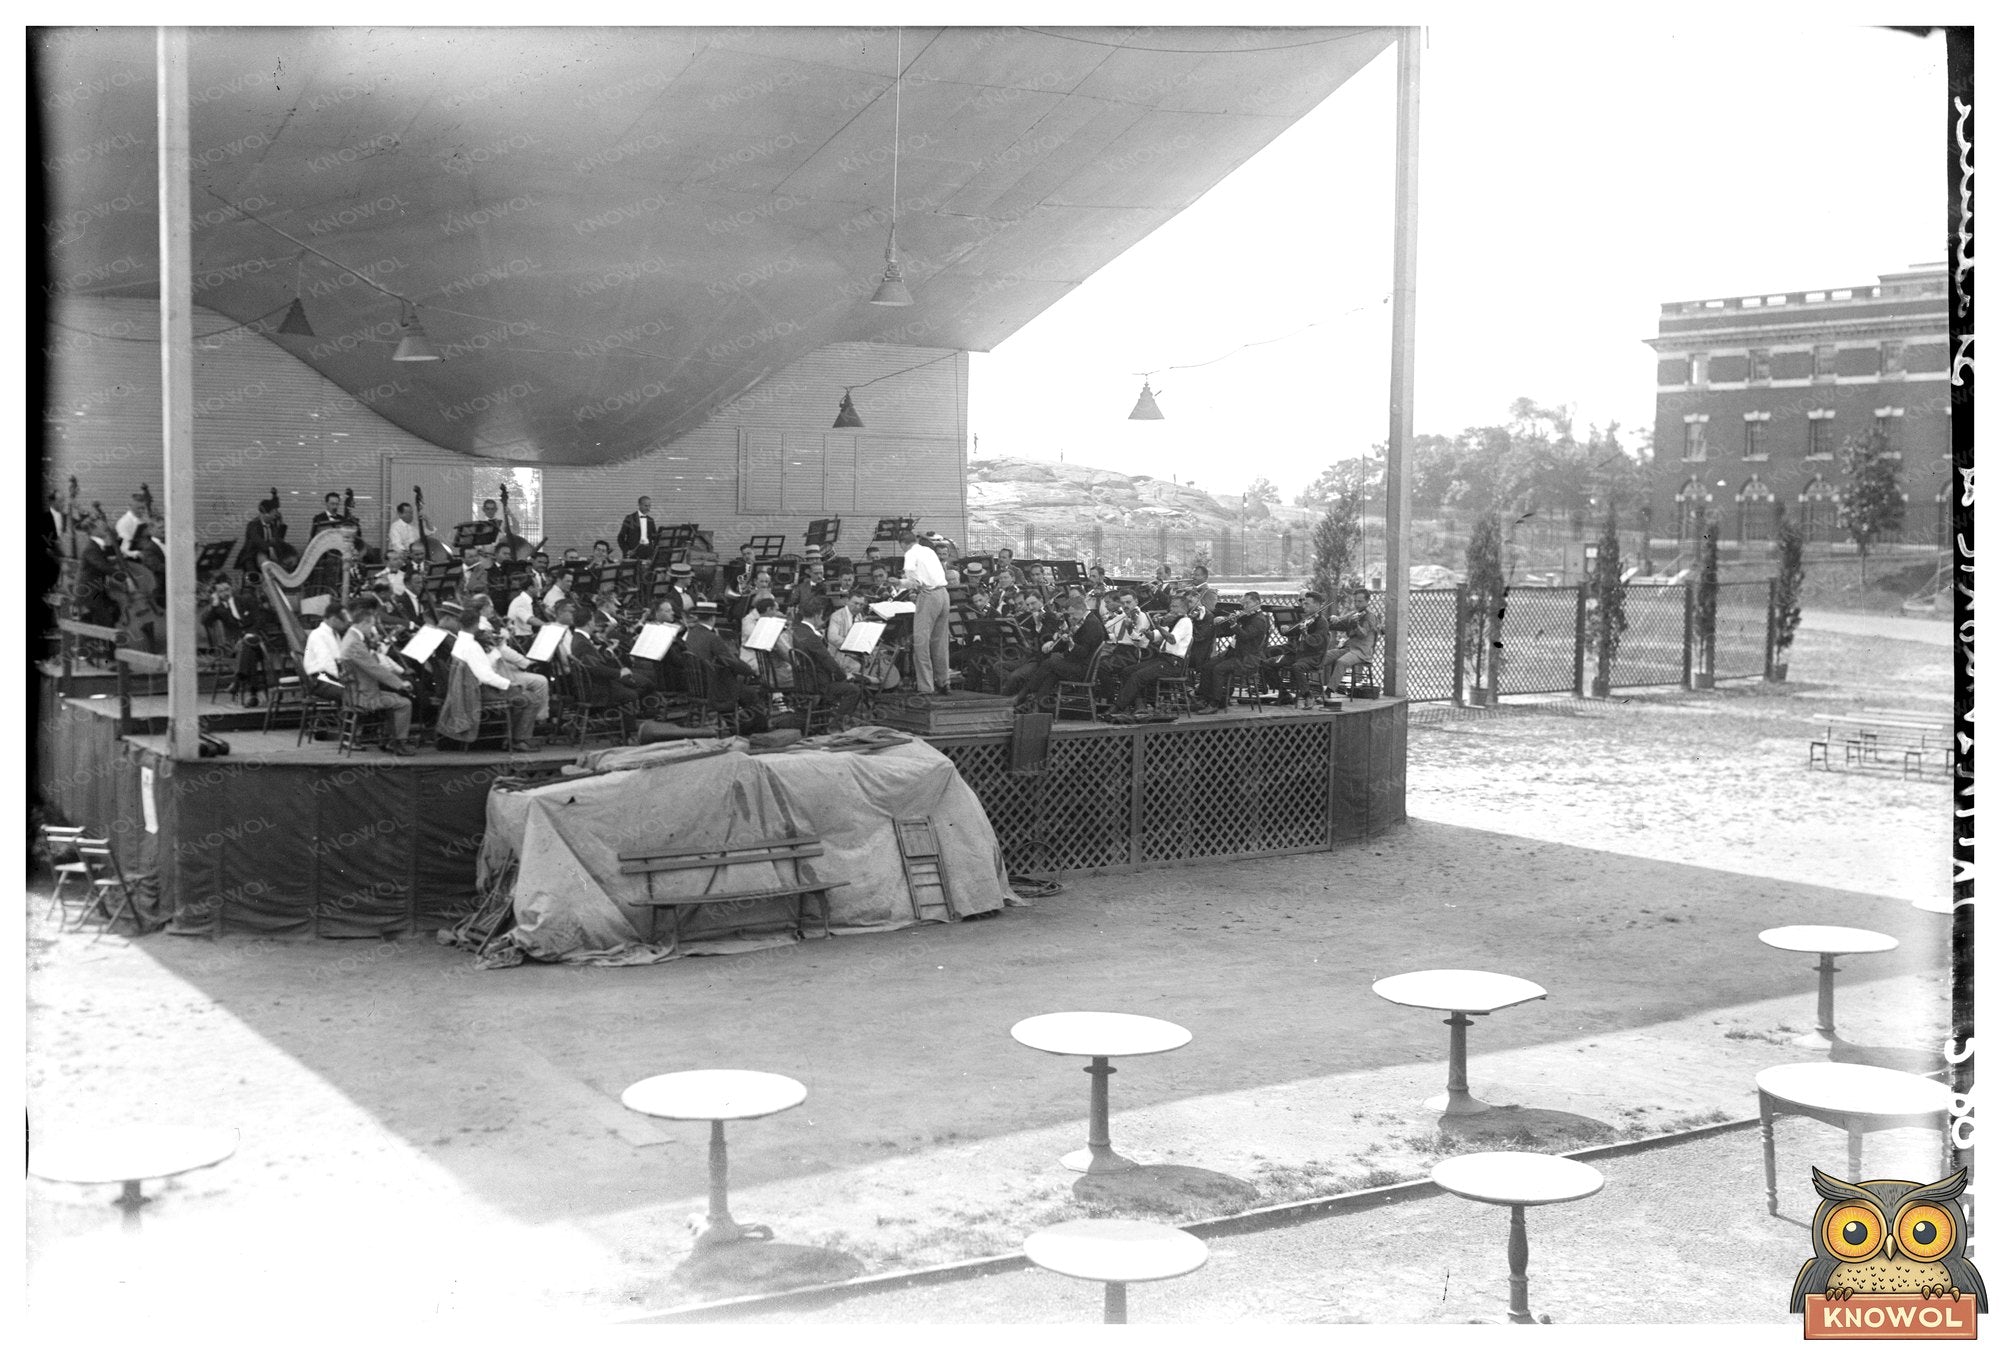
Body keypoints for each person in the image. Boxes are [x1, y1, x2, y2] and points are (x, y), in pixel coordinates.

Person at [437, 600, 538, 751]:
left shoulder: (460, 642)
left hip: (468, 689)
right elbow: (485, 676)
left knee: (524, 695)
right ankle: (518, 739)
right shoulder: (472, 646)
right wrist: (508, 684)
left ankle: (512, 737)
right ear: (476, 624)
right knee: (530, 699)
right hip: (479, 692)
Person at [338, 596, 417, 754]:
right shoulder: (354, 643)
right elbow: (374, 668)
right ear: (363, 623)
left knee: (396, 697)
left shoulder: (350, 638)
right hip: (365, 697)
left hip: (357, 692)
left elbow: (372, 665)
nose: (372, 629)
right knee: (404, 703)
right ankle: (397, 743)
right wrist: (400, 683)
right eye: (371, 625)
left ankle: (389, 739)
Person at [682, 601, 763, 730]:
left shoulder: (691, 634)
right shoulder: (712, 638)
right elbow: (731, 661)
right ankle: (756, 727)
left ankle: (738, 724)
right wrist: (749, 671)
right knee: (749, 693)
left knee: (739, 686)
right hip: (714, 687)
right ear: (712, 618)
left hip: (697, 686)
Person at [1013, 593, 1105, 701]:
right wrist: (1054, 643)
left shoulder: (1091, 624)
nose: (1070, 618)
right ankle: (1037, 702)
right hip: (1077, 664)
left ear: (1081, 609)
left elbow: (1083, 652)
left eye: (1072, 614)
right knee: (1052, 673)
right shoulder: (1084, 620)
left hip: (1083, 670)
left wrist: (1070, 643)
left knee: (1049, 663)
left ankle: (1023, 695)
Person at [1111, 593, 1193, 714]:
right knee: (1127, 671)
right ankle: (1139, 705)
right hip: (1163, 659)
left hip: (1174, 663)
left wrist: (1159, 626)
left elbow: (1172, 639)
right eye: (1171, 606)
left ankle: (1118, 707)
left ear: (1184, 608)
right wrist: (1144, 631)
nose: (1171, 609)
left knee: (1138, 676)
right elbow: (1154, 637)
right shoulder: (1172, 622)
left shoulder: (1185, 622)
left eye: (1175, 606)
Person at [791, 596, 863, 723]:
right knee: (854, 690)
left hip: (800, 682)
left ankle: (823, 719)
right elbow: (827, 660)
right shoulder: (811, 637)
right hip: (816, 685)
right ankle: (837, 723)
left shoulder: (796, 630)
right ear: (817, 615)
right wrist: (843, 676)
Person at [199, 573, 267, 706]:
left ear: (232, 588)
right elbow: (205, 621)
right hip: (233, 647)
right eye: (221, 591)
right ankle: (251, 693)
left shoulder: (246, 599)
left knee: (248, 646)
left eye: (227, 589)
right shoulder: (218, 608)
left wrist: (250, 634)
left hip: (255, 642)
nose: (225, 593)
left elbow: (260, 620)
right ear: (216, 593)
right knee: (248, 650)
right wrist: (214, 605)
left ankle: (238, 681)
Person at [1197, 591, 1270, 711]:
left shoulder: (1259, 620)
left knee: (1218, 669)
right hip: (1233, 653)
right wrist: (1223, 619)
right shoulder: (1247, 616)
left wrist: (1234, 624)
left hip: (1246, 658)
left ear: (1257, 603)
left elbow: (1245, 636)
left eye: (1247, 603)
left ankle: (1215, 703)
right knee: (1207, 666)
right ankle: (1204, 698)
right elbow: (1231, 629)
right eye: (1243, 604)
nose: (1244, 607)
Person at [899, 526, 950, 694]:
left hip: (928, 596)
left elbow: (915, 583)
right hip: (944, 594)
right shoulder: (928, 551)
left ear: (903, 544)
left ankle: (926, 687)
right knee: (940, 643)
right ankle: (944, 682)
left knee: (921, 644)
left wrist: (898, 582)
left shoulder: (909, 554)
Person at [1323, 586, 1381, 695]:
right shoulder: (1355, 613)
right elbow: (1342, 619)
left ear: (1367, 601)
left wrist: (1356, 625)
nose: (1357, 604)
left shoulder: (1370, 616)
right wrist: (1335, 618)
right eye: (1355, 601)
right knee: (1324, 656)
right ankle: (1313, 689)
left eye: (1360, 601)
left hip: (1361, 652)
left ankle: (1329, 691)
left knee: (1342, 662)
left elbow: (1363, 634)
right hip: (1349, 649)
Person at [240, 495, 294, 573]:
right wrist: (270, 548)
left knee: (283, 565)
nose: (275, 515)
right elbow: (258, 541)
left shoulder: (272, 525)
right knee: (261, 560)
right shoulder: (253, 525)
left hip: (268, 556)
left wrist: (281, 524)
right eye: (273, 512)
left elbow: (278, 540)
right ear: (265, 513)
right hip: (252, 556)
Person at [617, 495, 659, 561]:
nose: (648, 508)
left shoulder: (651, 520)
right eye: (646, 506)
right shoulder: (630, 518)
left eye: (649, 506)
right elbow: (620, 537)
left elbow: (654, 537)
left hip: (648, 554)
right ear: (639, 505)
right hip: (633, 554)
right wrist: (626, 550)